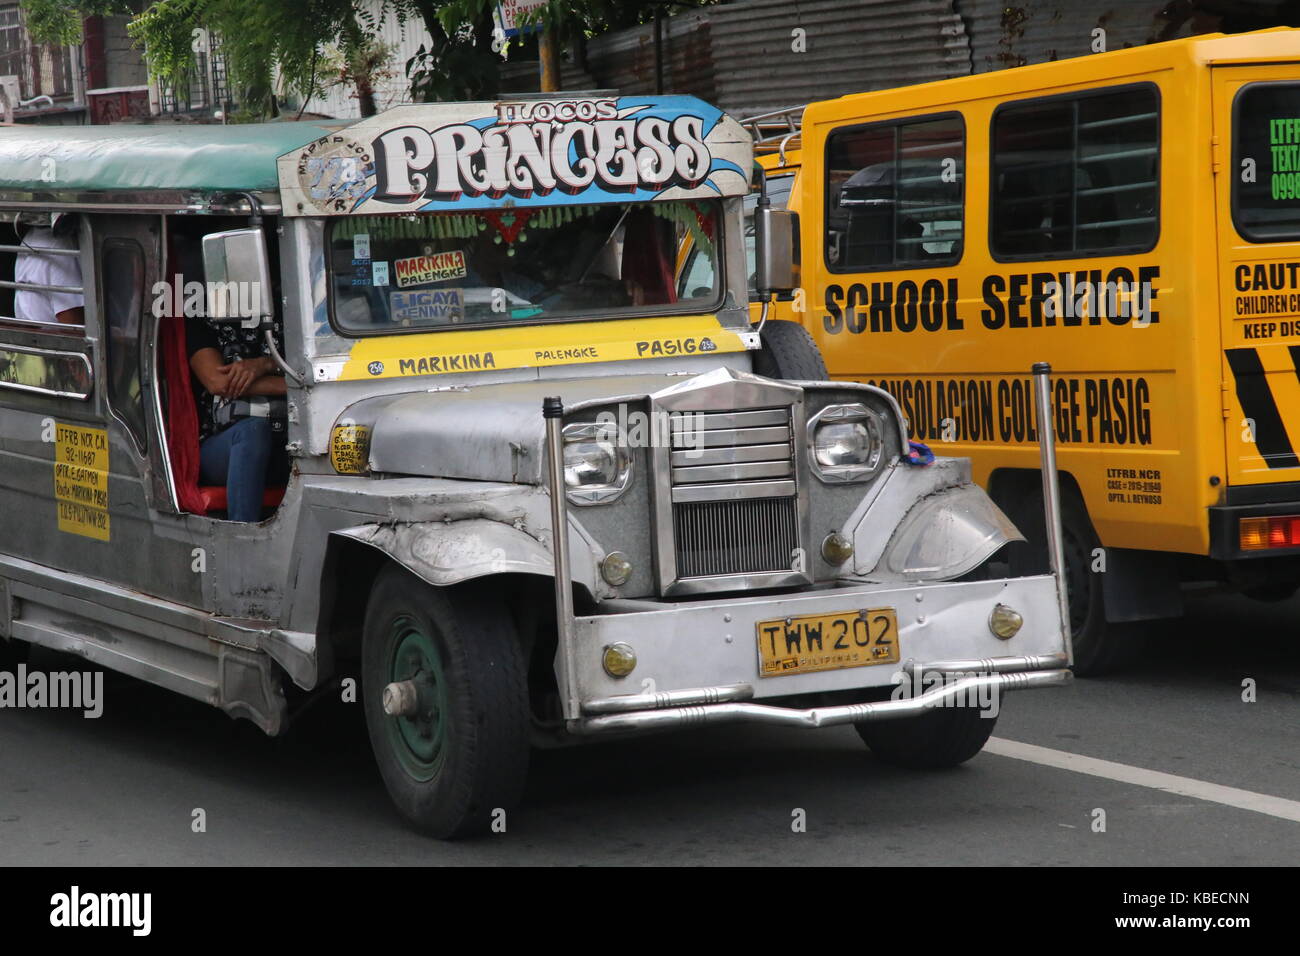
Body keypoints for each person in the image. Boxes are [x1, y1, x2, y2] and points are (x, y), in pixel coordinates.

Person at [186, 308, 289, 522]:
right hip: (224, 448)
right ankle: (243, 536)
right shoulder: (202, 314)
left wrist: (264, 364)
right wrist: (293, 384)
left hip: (291, 443)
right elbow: (219, 382)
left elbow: (323, 371)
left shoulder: (293, 309)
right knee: (253, 431)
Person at [15, 214, 84, 325]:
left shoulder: (31, 237)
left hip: (33, 330)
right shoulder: (61, 245)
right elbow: (72, 323)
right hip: (53, 336)